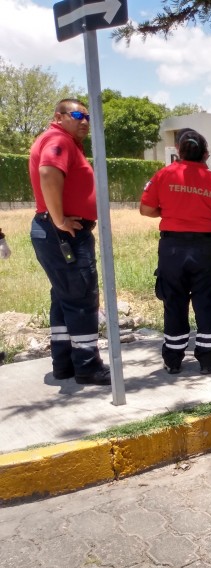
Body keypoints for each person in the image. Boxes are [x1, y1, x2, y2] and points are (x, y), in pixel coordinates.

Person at [139, 129, 211, 375]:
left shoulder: (163, 175)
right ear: (206, 154)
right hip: (205, 249)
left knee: (174, 301)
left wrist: (170, 211)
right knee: (206, 302)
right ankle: (208, 359)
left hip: (172, 249)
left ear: (179, 153)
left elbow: (146, 209)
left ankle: (172, 359)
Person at [28, 98, 111, 385]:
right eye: (77, 115)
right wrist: (60, 220)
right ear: (59, 116)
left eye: (87, 116)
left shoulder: (62, 140)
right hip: (63, 234)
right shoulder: (58, 140)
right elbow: (48, 173)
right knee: (82, 297)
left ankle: (64, 363)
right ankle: (88, 366)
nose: (85, 121)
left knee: (64, 297)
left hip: (57, 232)